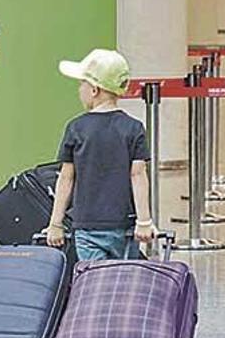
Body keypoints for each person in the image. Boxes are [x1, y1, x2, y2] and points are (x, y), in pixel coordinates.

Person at [46, 49, 155, 260]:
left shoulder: (76, 128)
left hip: (87, 227)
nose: (80, 90)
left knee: (95, 284)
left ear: (94, 90)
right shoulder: (133, 128)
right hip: (124, 227)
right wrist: (144, 221)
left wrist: (55, 224)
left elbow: (66, 178)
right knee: (124, 282)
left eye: (82, 84)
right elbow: (138, 175)